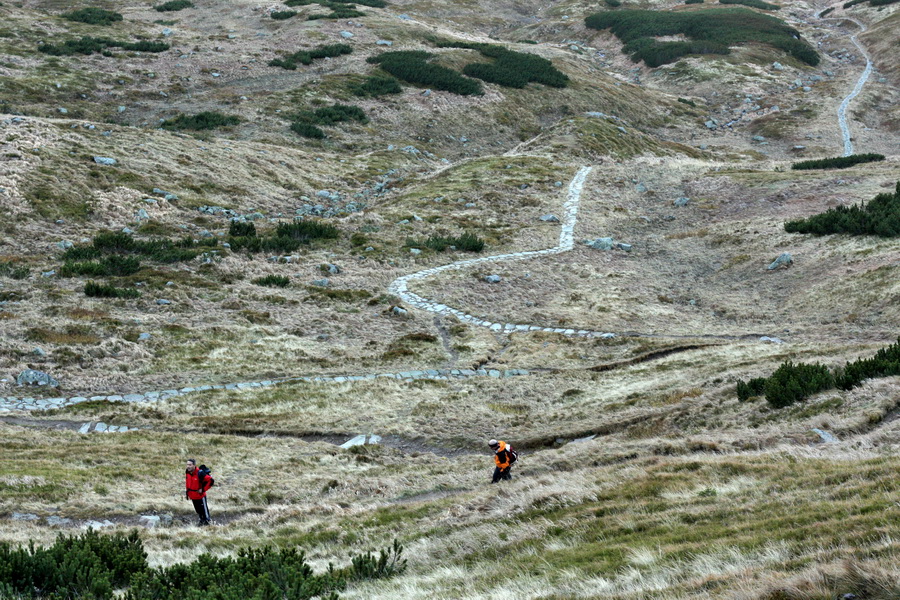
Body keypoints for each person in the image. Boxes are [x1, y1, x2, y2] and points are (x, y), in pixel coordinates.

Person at [185, 459, 212, 526]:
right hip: (193, 495)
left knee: (204, 511)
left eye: (190, 465)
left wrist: (203, 489)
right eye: (187, 464)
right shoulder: (187, 472)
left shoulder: (200, 473)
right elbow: (188, 482)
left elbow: (211, 480)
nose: (188, 466)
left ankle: (207, 523)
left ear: (194, 465)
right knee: (198, 510)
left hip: (200, 496)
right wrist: (188, 493)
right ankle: (201, 521)